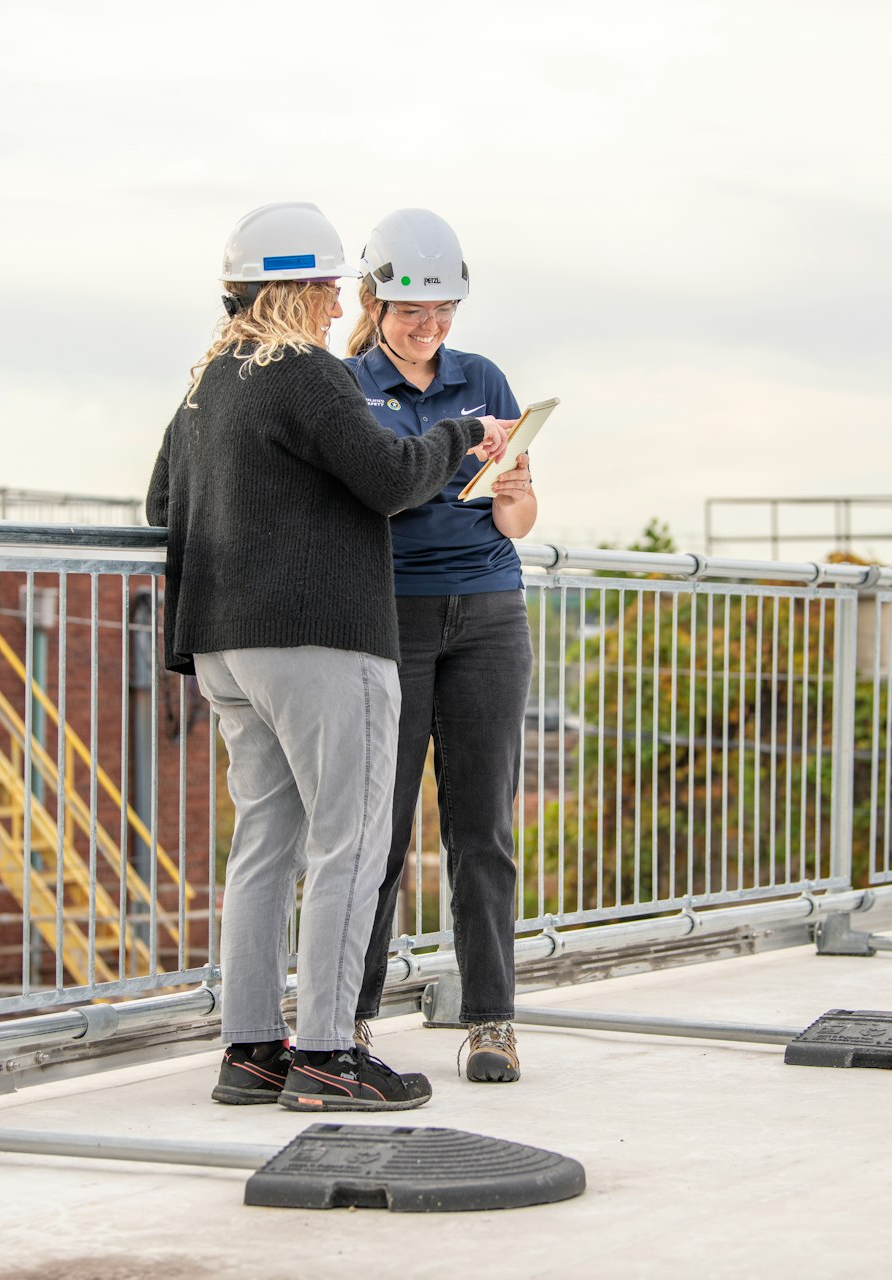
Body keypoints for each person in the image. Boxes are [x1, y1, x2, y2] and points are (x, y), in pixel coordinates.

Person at [145, 201, 509, 1112]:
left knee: (264, 843)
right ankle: (325, 1057)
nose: (338, 296)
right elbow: (389, 481)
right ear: (302, 289)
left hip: (223, 646)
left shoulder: (207, 381)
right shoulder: (307, 372)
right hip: (319, 638)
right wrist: (461, 437)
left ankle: (251, 1049)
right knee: (350, 842)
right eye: (332, 283)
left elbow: (160, 503)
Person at [344, 209, 538, 1083]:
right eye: (414, 313)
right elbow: (371, 500)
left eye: (444, 312)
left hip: (490, 613)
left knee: (481, 829)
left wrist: (515, 484)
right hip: (393, 617)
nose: (430, 329)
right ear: (375, 301)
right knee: (377, 835)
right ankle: (347, 1020)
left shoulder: (483, 376)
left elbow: (520, 522)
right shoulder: (347, 387)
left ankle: (491, 1020)